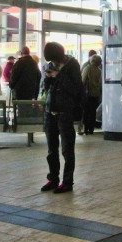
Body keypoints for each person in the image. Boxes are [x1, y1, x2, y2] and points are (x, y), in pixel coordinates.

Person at [40, 42, 84, 193]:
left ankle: (67, 182)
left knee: (67, 149)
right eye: (50, 60)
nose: (52, 63)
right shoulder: (48, 66)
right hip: (50, 111)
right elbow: (44, 88)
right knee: (51, 150)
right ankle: (52, 179)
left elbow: (75, 89)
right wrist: (47, 78)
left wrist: (59, 76)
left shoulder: (72, 65)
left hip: (65, 112)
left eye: (54, 59)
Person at [81, 54, 102, 135]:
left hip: (87, 93)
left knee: (86, 111)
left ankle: (85, 129)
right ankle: (91, 129)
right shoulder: (99, 70)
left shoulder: (87, 68)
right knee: (93, 112)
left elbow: (83, 80)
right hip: (96, 93)